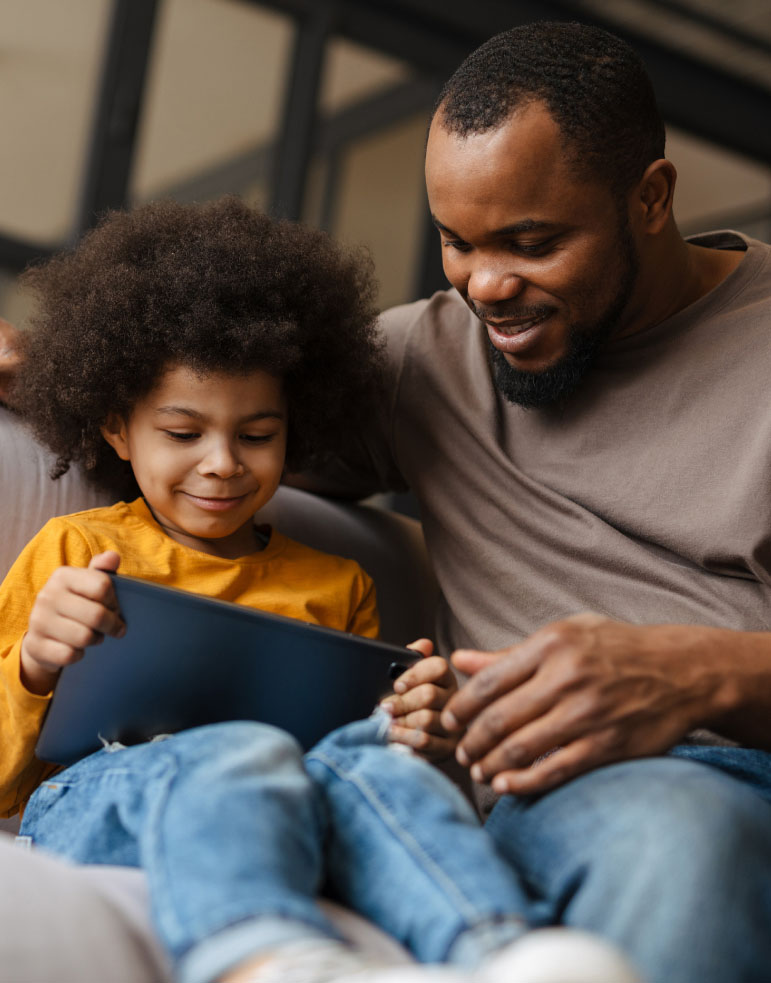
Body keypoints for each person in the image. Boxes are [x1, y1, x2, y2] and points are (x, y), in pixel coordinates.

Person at [0, 197, 640, 983]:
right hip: (94, 798)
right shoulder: (78, 550)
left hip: (289, 797)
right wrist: (35, 661)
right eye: (182, 432)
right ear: (115, 427)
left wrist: (414, 729)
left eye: (257, 435)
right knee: (239, 749)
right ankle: (265, 957)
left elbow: (352, 767)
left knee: (371, 763)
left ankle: (502, 949)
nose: (222, 463)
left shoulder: (337, 582)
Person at [300, 21, 771, 983]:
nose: (486, 286)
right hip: (575, 798)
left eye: (531, 242)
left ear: (651, 196)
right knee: (681, 830)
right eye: (456, 243)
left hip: (740, 773)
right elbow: (188, 429)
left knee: (695, 822)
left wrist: (701, 671)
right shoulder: (420, 360)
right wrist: (35, 365)